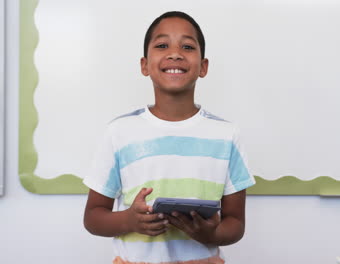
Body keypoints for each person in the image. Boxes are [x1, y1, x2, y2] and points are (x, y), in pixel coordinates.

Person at [83, 11, 256, 264]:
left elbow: (236, 224)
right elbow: (93, 218)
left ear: (203, 67)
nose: (175, 53)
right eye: (162, 45)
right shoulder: (119, 132)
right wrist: (129, 220)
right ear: (144, 65)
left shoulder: (227, 135)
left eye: (187, 46)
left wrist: (211, 233)